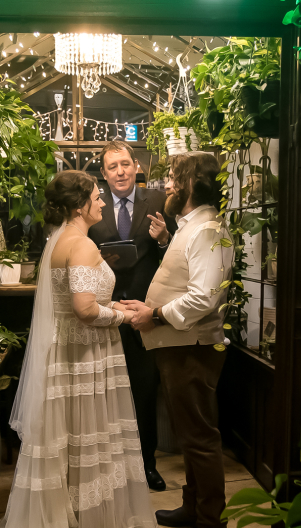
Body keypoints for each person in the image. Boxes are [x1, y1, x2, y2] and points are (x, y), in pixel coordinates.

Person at [0, 170, 165, 528]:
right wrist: (125, 318)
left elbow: (79, 303)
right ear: (79, 207)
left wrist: (117, 305)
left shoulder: (57, 241)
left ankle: (67, 526)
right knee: (88, 444)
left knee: (68, 446)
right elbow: (84, 310)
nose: (104, 203)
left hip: (66, 361)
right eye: (96, 197)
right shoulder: (84, 244)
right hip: (86, 361)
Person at [122, 152, 233, 528]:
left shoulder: (207, 230)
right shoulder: (191, 227)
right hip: (178, 347)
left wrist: (152, 314)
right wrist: (147, 304)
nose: (166, 184)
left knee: (201, 439)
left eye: (172, 178)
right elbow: (185, 281)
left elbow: (206, 297)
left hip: (193, 349)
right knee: (189, 435)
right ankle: (193, 507)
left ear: (190, 185)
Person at [89, 140, 176, 492]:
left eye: (125, 164)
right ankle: (107, 470)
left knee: (143, 390)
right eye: (113, 167)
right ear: (104, 175)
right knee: (103, 393)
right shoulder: (92, 208)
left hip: (144, 313)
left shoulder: (157, 203)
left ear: (136, 166)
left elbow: (174, 256)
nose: (121, 172)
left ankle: (147, 466)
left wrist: (163, 238)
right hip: (104, 311)